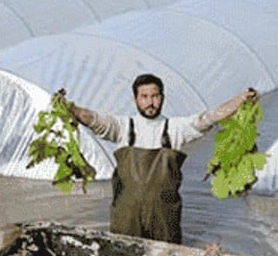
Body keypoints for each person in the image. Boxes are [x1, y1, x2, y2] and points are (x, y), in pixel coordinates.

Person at [66, 74, 258, 244]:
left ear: (162, 98)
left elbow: (210, 118)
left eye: (155, 96)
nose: (150, 102)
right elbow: (92, 119)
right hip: (126, 217)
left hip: (164, 217)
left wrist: (239, 100)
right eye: (145, 97)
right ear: (136, 100)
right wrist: (69, 108)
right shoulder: (123, 127)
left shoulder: (174, 128)